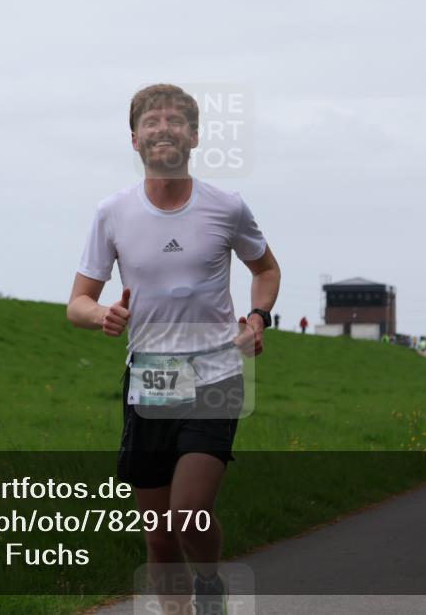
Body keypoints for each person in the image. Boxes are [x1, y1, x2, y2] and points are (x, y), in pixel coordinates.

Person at [67, 84, 281, 615]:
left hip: (214, 375)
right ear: (134, 138)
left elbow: (266, 269)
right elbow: (78, 302)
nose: (163, 128)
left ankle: (208, 579)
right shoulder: (112, 213)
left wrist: (257, 316)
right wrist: (103, 315)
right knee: (159, 537)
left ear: (195, 136)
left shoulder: (226, 207)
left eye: (175, 120)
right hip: (150, 382)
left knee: (188, 513)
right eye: (152, 121)